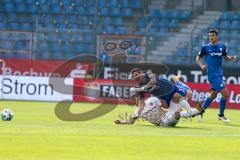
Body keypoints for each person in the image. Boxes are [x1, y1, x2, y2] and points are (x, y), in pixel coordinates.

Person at [196, 29, 236, 123]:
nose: (211, 37)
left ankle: (200, 111)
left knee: (213, 95)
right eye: (210, 36)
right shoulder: (205, 47)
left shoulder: (222, 47)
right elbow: (198, 57)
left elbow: (226, 58)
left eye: (213, 35)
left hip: (220, 74)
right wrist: (201, 65)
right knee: (225, 94)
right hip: (212, 75)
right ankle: (221, 115)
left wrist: (231, 58)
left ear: (217, 37)